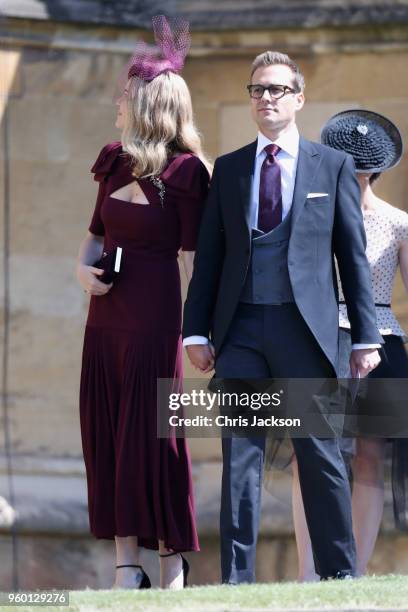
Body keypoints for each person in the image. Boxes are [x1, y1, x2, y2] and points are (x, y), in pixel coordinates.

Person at [182, 51, 382, 584]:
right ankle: (235, 582)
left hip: (305, 332)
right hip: (240, 330)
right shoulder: (228, 169)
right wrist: (194, 331)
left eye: (276, 89)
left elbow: (352, 258)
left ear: (298, 98)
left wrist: (365, 337)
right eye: (256, 90)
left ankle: (341, 575)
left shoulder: (332, 166)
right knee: (240, 459)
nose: (265, 98)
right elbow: (211, 259)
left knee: (319, 456)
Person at [76, 16, 210, 590]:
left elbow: (194, 261)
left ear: (149, 103)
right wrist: (82, 272)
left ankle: (172, 562)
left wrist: (199, 332)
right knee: (107, 433)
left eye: (125, 93)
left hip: (156, 320)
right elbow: (96, 235)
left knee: (156, 434)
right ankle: (126, 568)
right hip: (104, 319)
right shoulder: (112, 160)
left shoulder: (185, 173)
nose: (115, 100)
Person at [292, 109, 408, 581]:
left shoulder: (399, 222)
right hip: (320, 338)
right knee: (311, 455)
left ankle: (353, 572)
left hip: (380, 340)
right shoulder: (312, 214)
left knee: (369, 456)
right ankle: (307, 572)